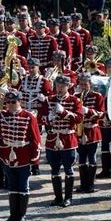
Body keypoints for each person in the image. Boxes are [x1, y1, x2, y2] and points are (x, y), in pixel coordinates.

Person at [0, 90, 42, 221]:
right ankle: (13, 215)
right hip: (7, 154)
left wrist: (35, 159)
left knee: (23, 186)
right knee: (12, 186)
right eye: (8, 102)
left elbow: (36, 139)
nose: (11, 105)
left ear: (20, 102)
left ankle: (22, 216)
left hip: (23, 153)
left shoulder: (29, 116)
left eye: (14, 102)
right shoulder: (1, 115)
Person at [42, 75, 83, 207]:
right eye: (57, 86)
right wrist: (48, 118)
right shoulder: (50, 100)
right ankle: (58, 197)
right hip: (53, 138)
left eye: (62, 86)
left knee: (68, 169)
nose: (59, 88)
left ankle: (68, 198)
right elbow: (41, 118)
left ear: (68, 86)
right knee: (54, 170)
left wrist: (64, 112)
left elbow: (79, 118)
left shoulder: (75, 100)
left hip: (68, 138)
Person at [75, 73, 104, 193]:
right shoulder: (76, 96)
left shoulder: (97, 96)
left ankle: (91, 184)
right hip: (80, 131)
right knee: (81, 158)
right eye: (81, 84)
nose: (83, 86)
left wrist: (89, 111)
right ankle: (83, 184)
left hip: (92, 129)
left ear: (90, 84)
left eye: (85, 84)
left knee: (91, 157)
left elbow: (101, 114)